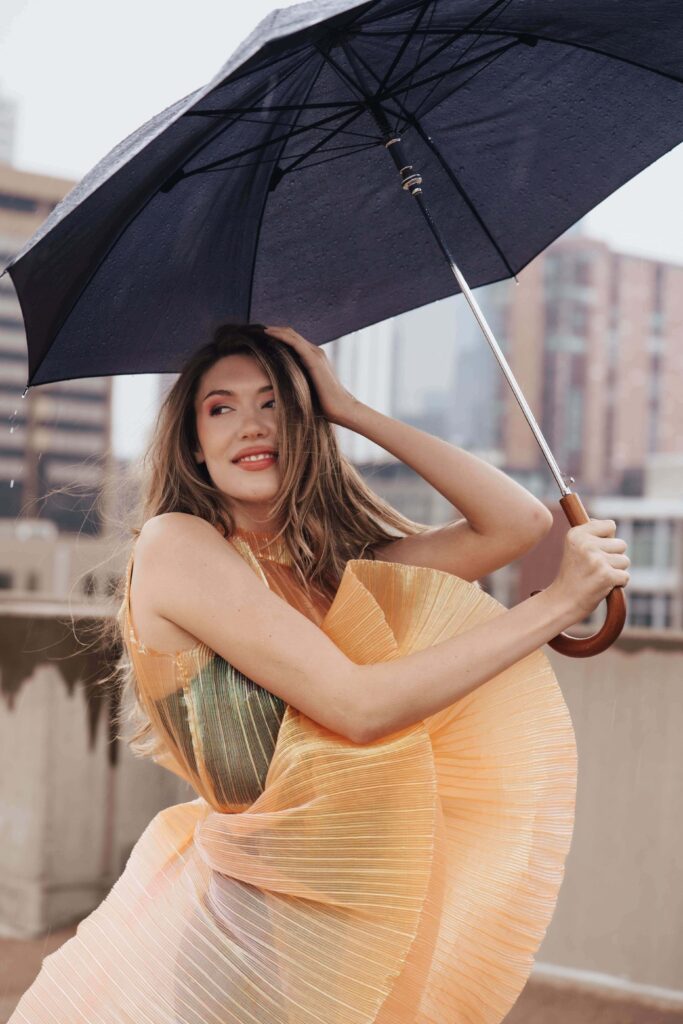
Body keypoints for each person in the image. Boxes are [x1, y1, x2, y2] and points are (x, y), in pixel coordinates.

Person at [10, 322, 629, 1024]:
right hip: (252, 931)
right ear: (194, 445)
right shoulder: (177, 545)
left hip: (355, 914)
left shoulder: (327, 574)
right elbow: (356, 706)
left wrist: (349, 406)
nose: (251, 424)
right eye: (221, 407)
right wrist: (556, 605)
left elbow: (515, 524)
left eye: (273, 402)